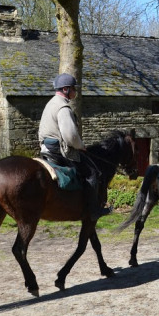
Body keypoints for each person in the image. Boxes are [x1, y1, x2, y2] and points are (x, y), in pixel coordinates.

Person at [38, 73, 110, 221]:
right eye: (73, 89)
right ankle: (93, 210)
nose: (75, 92)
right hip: (60, 152)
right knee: (93, 172)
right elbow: (70, 136)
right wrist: (81, 146)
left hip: (46, 149)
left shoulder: (51, 103)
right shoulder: (63, 107)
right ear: (66, 89)